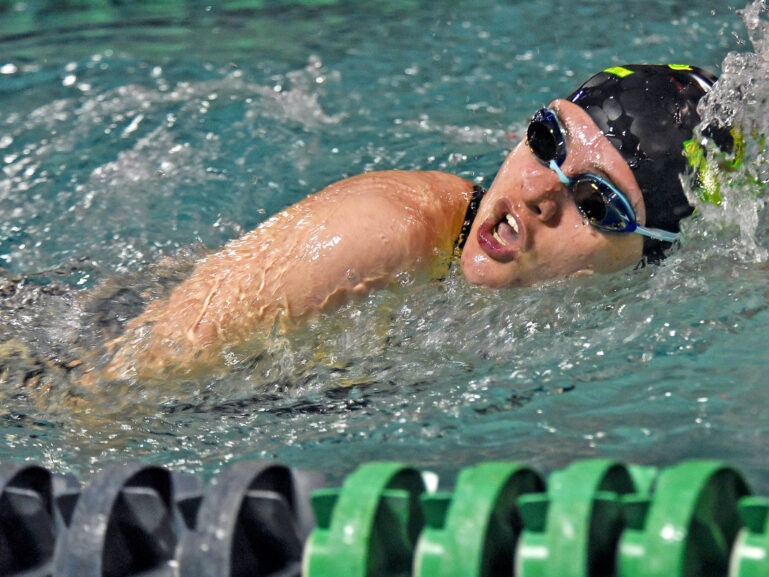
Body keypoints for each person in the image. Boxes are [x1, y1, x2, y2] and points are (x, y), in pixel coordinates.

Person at [97, 64, 734, 379]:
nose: (538, 189)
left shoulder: (644, 305)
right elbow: (117, 379)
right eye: (547, 138)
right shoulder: (383, 234)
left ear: (653, 256)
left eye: (595, 202)